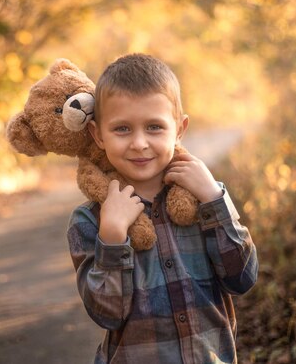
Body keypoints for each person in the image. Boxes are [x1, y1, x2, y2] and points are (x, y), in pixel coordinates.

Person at [66, 53, 258, 364]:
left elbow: (243, 279)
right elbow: (107, 314)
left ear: (179, 129)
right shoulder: (89, 221)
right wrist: (113, 237)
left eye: (154, 127)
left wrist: (214, 200)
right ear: (98, 134)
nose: (140, 143)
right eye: (122, 129)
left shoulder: (205, 199)